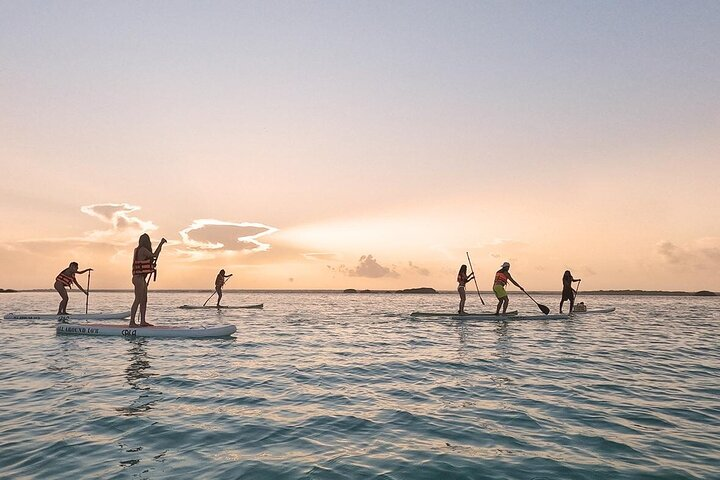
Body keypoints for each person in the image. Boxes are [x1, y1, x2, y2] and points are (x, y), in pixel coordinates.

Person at [130, 233, 167, 327]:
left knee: (144, 300)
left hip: (141, 278)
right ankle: (132, 322)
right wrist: (161, 243)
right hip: (138, 278)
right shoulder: (142, 250)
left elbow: (151, 258)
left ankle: (142, 321)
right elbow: (154, 255)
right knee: (138, 299)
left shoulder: (139, 250)